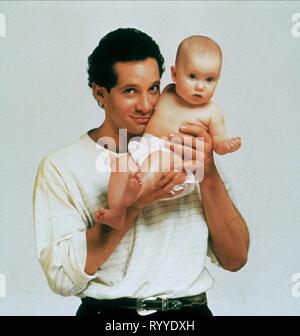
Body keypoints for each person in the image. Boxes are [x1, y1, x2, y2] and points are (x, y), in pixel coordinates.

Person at [32, 28, 249, 318]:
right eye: (130, 91)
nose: (146, 105)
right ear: (100, 93)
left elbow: (235, 258)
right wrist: (133, 205)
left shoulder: (187, 152)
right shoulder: (62, 167)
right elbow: (61, 279)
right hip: (110, 318)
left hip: (188, 317)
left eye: (154, 88)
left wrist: (207, 172)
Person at [96, 35, 242, 230]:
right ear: (174, 74)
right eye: (192, 76)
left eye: (209, 80)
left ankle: (132, 197)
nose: (200, 86)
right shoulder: (167, 92)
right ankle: (117, 211)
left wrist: (226, 145)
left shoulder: (211, 111)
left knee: (156, 161)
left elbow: (219, 141)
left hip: (173, 160)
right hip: (144, 148)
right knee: (122, 164)